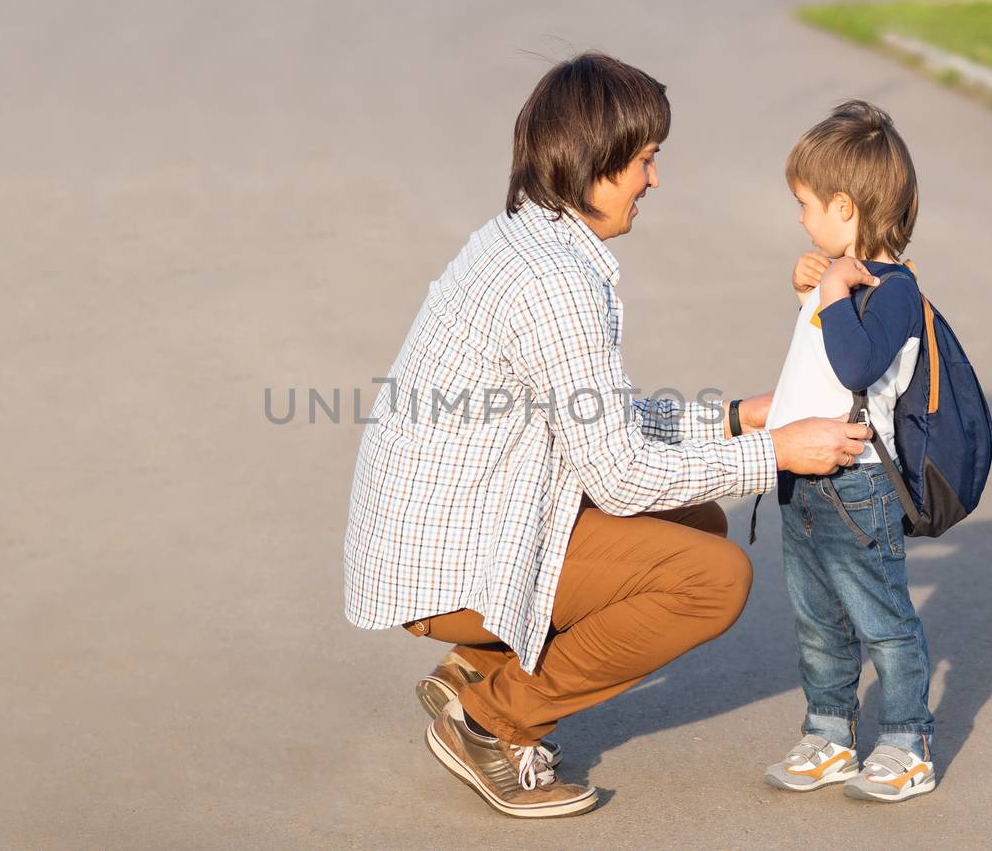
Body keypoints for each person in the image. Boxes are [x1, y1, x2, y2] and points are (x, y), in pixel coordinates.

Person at [341, 53, 872, 819]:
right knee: (711, 579)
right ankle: (494, 722)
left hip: (449, 529)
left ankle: (478, 666)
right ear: (594, 165)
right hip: (450, 564)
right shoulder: (556, 284)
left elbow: (594, 422)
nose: (653, 181)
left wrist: (737, 418)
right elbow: (621, 475)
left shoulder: (522, 238)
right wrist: (778, 454)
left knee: (695, 520)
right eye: (645, 161)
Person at [758, 100, 937, 802]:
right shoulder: (844, 279)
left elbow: (858, 368)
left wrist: (831, 294)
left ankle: (906, 742)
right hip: (804, 484)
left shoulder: (895, 291)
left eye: (805, 204)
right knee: (817, 624)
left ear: (843, 207)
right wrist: (810, 292)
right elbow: (820, 364)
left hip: (859, 488)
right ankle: (829, 734)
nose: (800, 218)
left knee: (884, 625)